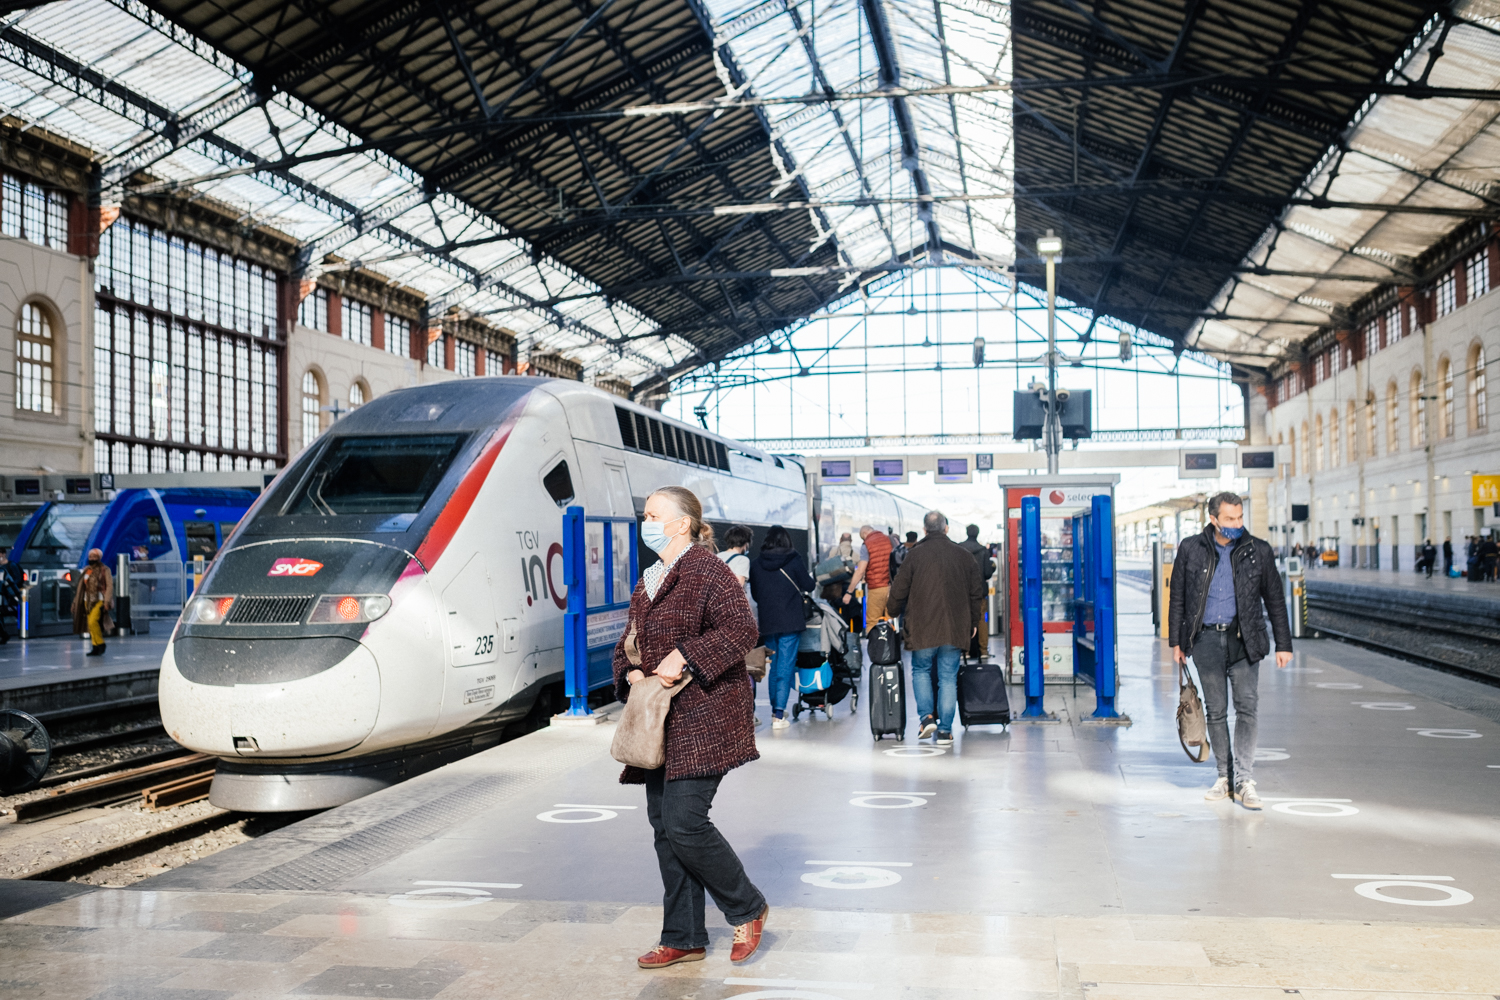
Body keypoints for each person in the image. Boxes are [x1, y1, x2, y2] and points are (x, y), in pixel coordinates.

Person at [613, 487, 768, 969]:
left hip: (706, 717)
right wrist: (631, 671)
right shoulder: (650, 579)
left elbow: (743, 630)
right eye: (646, 515)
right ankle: (683, 935)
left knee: (684, 822)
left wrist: (688, 656)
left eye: (653, 515)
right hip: (659, 721)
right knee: (664, 828)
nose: (646, 521)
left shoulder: (708, 571)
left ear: (681, 524)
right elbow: (628, 644)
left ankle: (747, 906)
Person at [1168, 492, 1294, 810]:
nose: (1237, 524)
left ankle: (1244, 780)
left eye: (1239, 518)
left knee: (1247, 708)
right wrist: (1176, 642)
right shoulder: (1190, 549)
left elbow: (1275, 599)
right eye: (1229, 519)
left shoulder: (1257, 551)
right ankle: (1224, 776)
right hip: (1206, 640)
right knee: (1216, 711)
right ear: (1213, 519)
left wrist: (1284, 643)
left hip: (1245, 640)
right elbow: (1179, 598)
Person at [886, 510, 984, 746]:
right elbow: (976, 593)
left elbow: (899, 589)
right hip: (954, 627)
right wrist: (972, 623)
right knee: (948, 678)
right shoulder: (964, 555)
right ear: (946, 529)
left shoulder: (914, 556)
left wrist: (892, 611)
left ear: (924, 530)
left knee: (920, 671)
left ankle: (926, 718)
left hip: (922, 627)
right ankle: (945, 730)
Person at [747, 525, 815, 730]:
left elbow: (756, 595)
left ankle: (777, 708)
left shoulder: (756, 564)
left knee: (775, 665)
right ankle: (778, 714)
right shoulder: (794, 559)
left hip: (769, 621)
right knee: (785, 666)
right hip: (790, 621)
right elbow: (809, 585)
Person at [842, 525, 892, 626]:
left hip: (876, 587)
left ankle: (874, 642)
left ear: (864, 533)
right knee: (890, 619)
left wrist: (849, 592)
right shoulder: (889, 540)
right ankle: (890, 641)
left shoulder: (867, 544)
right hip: (891, 587)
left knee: (873, 620)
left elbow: (860, 570)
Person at [958, 524, 995, 659]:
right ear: (977, 534)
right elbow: (987, 573)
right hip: (979, 593)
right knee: (982, 620)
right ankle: (983, 650)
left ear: (967, 533)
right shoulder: (983, 551)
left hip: (962, 593)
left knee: (963, 620)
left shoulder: (959, 549)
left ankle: (965, 651)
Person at [0, 552, 22, 644]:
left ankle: (3, 635)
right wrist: (17, 596)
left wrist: (16, 596)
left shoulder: (3, 571)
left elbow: (10, 584)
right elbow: (10, 584)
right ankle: (3, 635)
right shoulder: (2, 572)